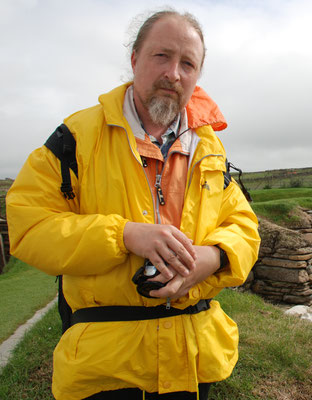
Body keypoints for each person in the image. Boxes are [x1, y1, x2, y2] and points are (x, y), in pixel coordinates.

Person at [7, 9, 260, 400]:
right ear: (134, 59)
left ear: (196, 77)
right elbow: (28, 225)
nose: (173, 73)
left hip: (194, 358)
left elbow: (243, 225)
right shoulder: (75, 138)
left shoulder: (209, 147)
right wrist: (124, 235)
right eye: (162, 56)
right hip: (107, 369)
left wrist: (211, 258)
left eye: (187, 64)